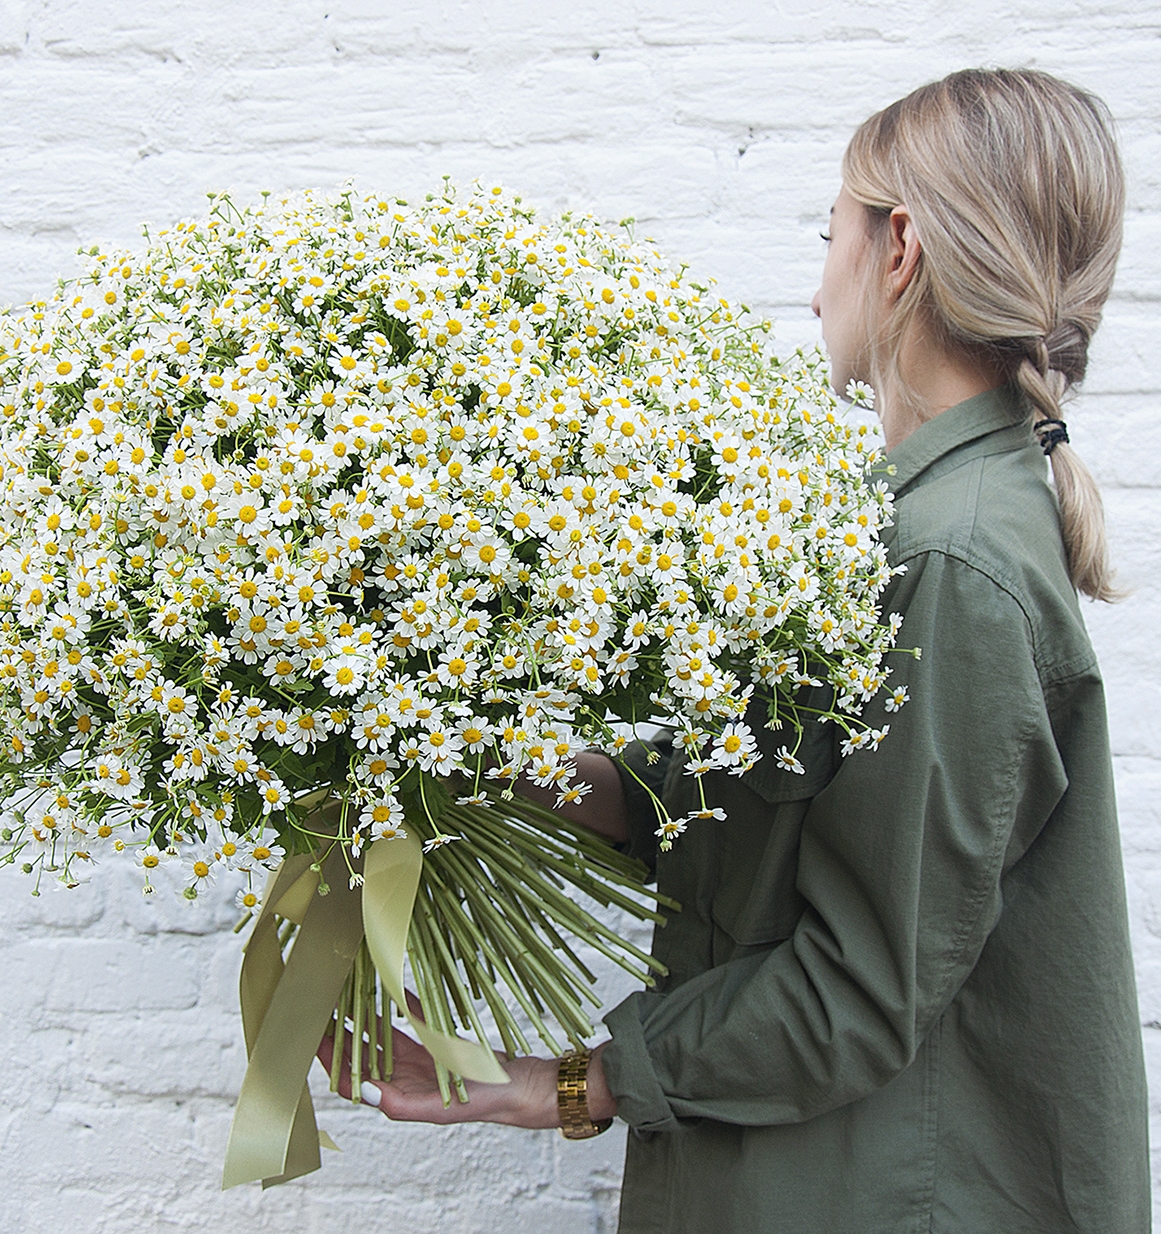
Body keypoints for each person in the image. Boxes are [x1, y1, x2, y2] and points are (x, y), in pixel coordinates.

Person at [318, 68, 1152, 1232]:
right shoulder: (910, 526)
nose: (816, 289)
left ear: (899, 250)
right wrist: (468, 758)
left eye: (830, 235)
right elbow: (756, 819)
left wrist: (549, 1085)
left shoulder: (952, 562)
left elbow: (861, 984)